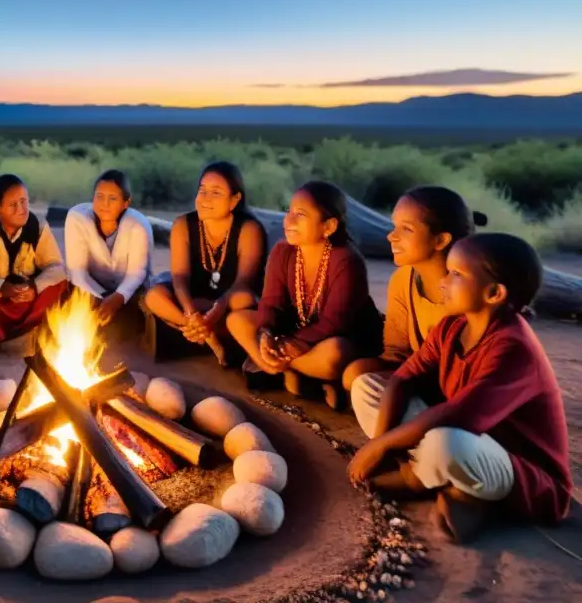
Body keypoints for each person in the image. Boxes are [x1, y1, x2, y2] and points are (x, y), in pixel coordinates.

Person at [348, 233, 572, 545]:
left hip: (515, 468)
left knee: (447, 441)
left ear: (493, 292)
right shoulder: (453, 325)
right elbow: (402, 379)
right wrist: (381, 442)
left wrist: (383, 447)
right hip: (464, 437)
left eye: (456, 275)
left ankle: (422, 482)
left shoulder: (514, 347)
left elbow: (459, 415)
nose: (443, 281)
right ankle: (449, 485)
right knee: (368, 387)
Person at [228, 180, 382, 409]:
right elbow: (271, 304)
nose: (288, 220)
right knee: (237, 320)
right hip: (295, 334)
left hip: (340, 338)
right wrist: (266, 332)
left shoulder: (347, 260)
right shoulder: (283, 251)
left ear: (328, 226)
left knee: (333, 355)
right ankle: (286, 370)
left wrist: (297, 343)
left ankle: (278, 370)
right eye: (288, 211)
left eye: (300, 215)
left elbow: (334, 322)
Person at [343, 186, 486, 391]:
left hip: (462, 384)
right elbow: (396, 353)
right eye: (394, 226)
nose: (391, 236)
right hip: (420, 375)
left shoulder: (468, 290)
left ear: (440, 240)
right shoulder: (403, 279)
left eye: (406, 229)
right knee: (356, 374)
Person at [144, 161, 267, 367]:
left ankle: (206, 332)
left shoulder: (249, 229)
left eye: (216, 193)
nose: (205, 199)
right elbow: (180, 276)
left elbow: (243, 282)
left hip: (229, 304)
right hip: (196, 302)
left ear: (234, 199)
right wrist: (191, 313)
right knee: (154, 296)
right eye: (202, 191)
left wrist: (218, 308)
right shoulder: (183, 225)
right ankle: (204, 334)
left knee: (242, 299)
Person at [0, 174, 67, 355]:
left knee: (63, 285)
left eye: (24, 201)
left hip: (28, 299)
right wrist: (1, 288)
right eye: (13, 205)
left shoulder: (37, 227)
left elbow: (56, 266)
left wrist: (34, 287)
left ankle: (30, 336)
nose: (21, 209)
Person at [64, 170, 153, 344]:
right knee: (69, 306)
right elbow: (77, 271)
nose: (104, 204)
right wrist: (103, 299)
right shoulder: (77, 218)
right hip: (92, 290)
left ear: (126, 202)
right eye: (99, 196)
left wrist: (117, 299)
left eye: (112, 198)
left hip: (129, 293)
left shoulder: (138, 225)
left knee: (123, 329)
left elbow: (137, 273)